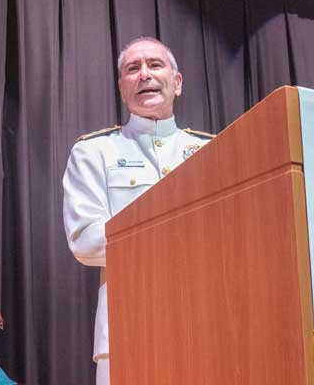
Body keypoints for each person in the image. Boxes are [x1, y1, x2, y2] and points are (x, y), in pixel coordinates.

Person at [62, 37, 212, 384]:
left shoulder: (213, 150)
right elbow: (86, 240)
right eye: (133, 68)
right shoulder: (94, 152)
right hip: (129, 326)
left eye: (155, 65)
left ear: (177, 82)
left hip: (208, 320)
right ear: (122, 87)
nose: (144, 74)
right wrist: (174, 233)